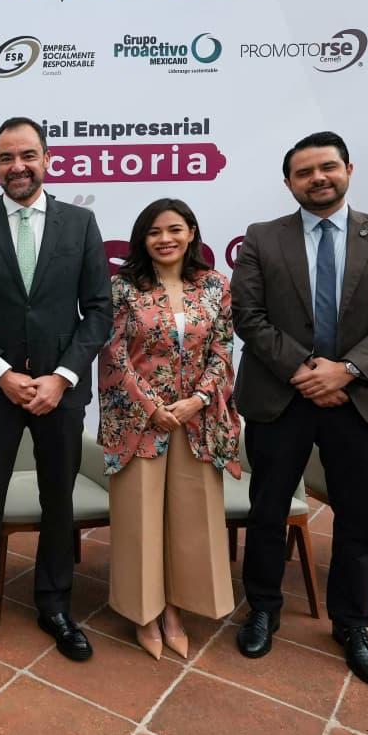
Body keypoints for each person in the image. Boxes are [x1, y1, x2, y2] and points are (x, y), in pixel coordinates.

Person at [232, 131, 368, 688]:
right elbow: (247, 315)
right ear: (289, 182)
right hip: (282, 397)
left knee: (359, 519)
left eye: (327, 167)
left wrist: (348, 370)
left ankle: (353, 624)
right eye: (304, 172)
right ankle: (263, 608)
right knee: (268, 510)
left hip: (363, 400)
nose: (317, 178)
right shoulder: (263, 238)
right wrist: (305, 370)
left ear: (348, 170)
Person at [0, 117, 110, 667]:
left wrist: (62, 377)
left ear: (47, 159)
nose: (18, 167)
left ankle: (55, 605)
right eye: (6, 158)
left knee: (58, 502)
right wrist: (2, 373)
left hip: (60, 394)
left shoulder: (80, 224)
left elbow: (98, 311)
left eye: (27, 155)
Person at [98, 199, 239, 660]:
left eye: (175, 229)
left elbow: (223, 349)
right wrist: (150, 407)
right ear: (143, 239)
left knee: (191, 519)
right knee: (139, 519)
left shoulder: (215, 285)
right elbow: (113, 353)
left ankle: (176, 609)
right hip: (139, 422)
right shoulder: (122, 287)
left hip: (197, 419)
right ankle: (144, 613)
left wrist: (198, 399)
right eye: (154, 231)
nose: (165, 239)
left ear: (191, 232)